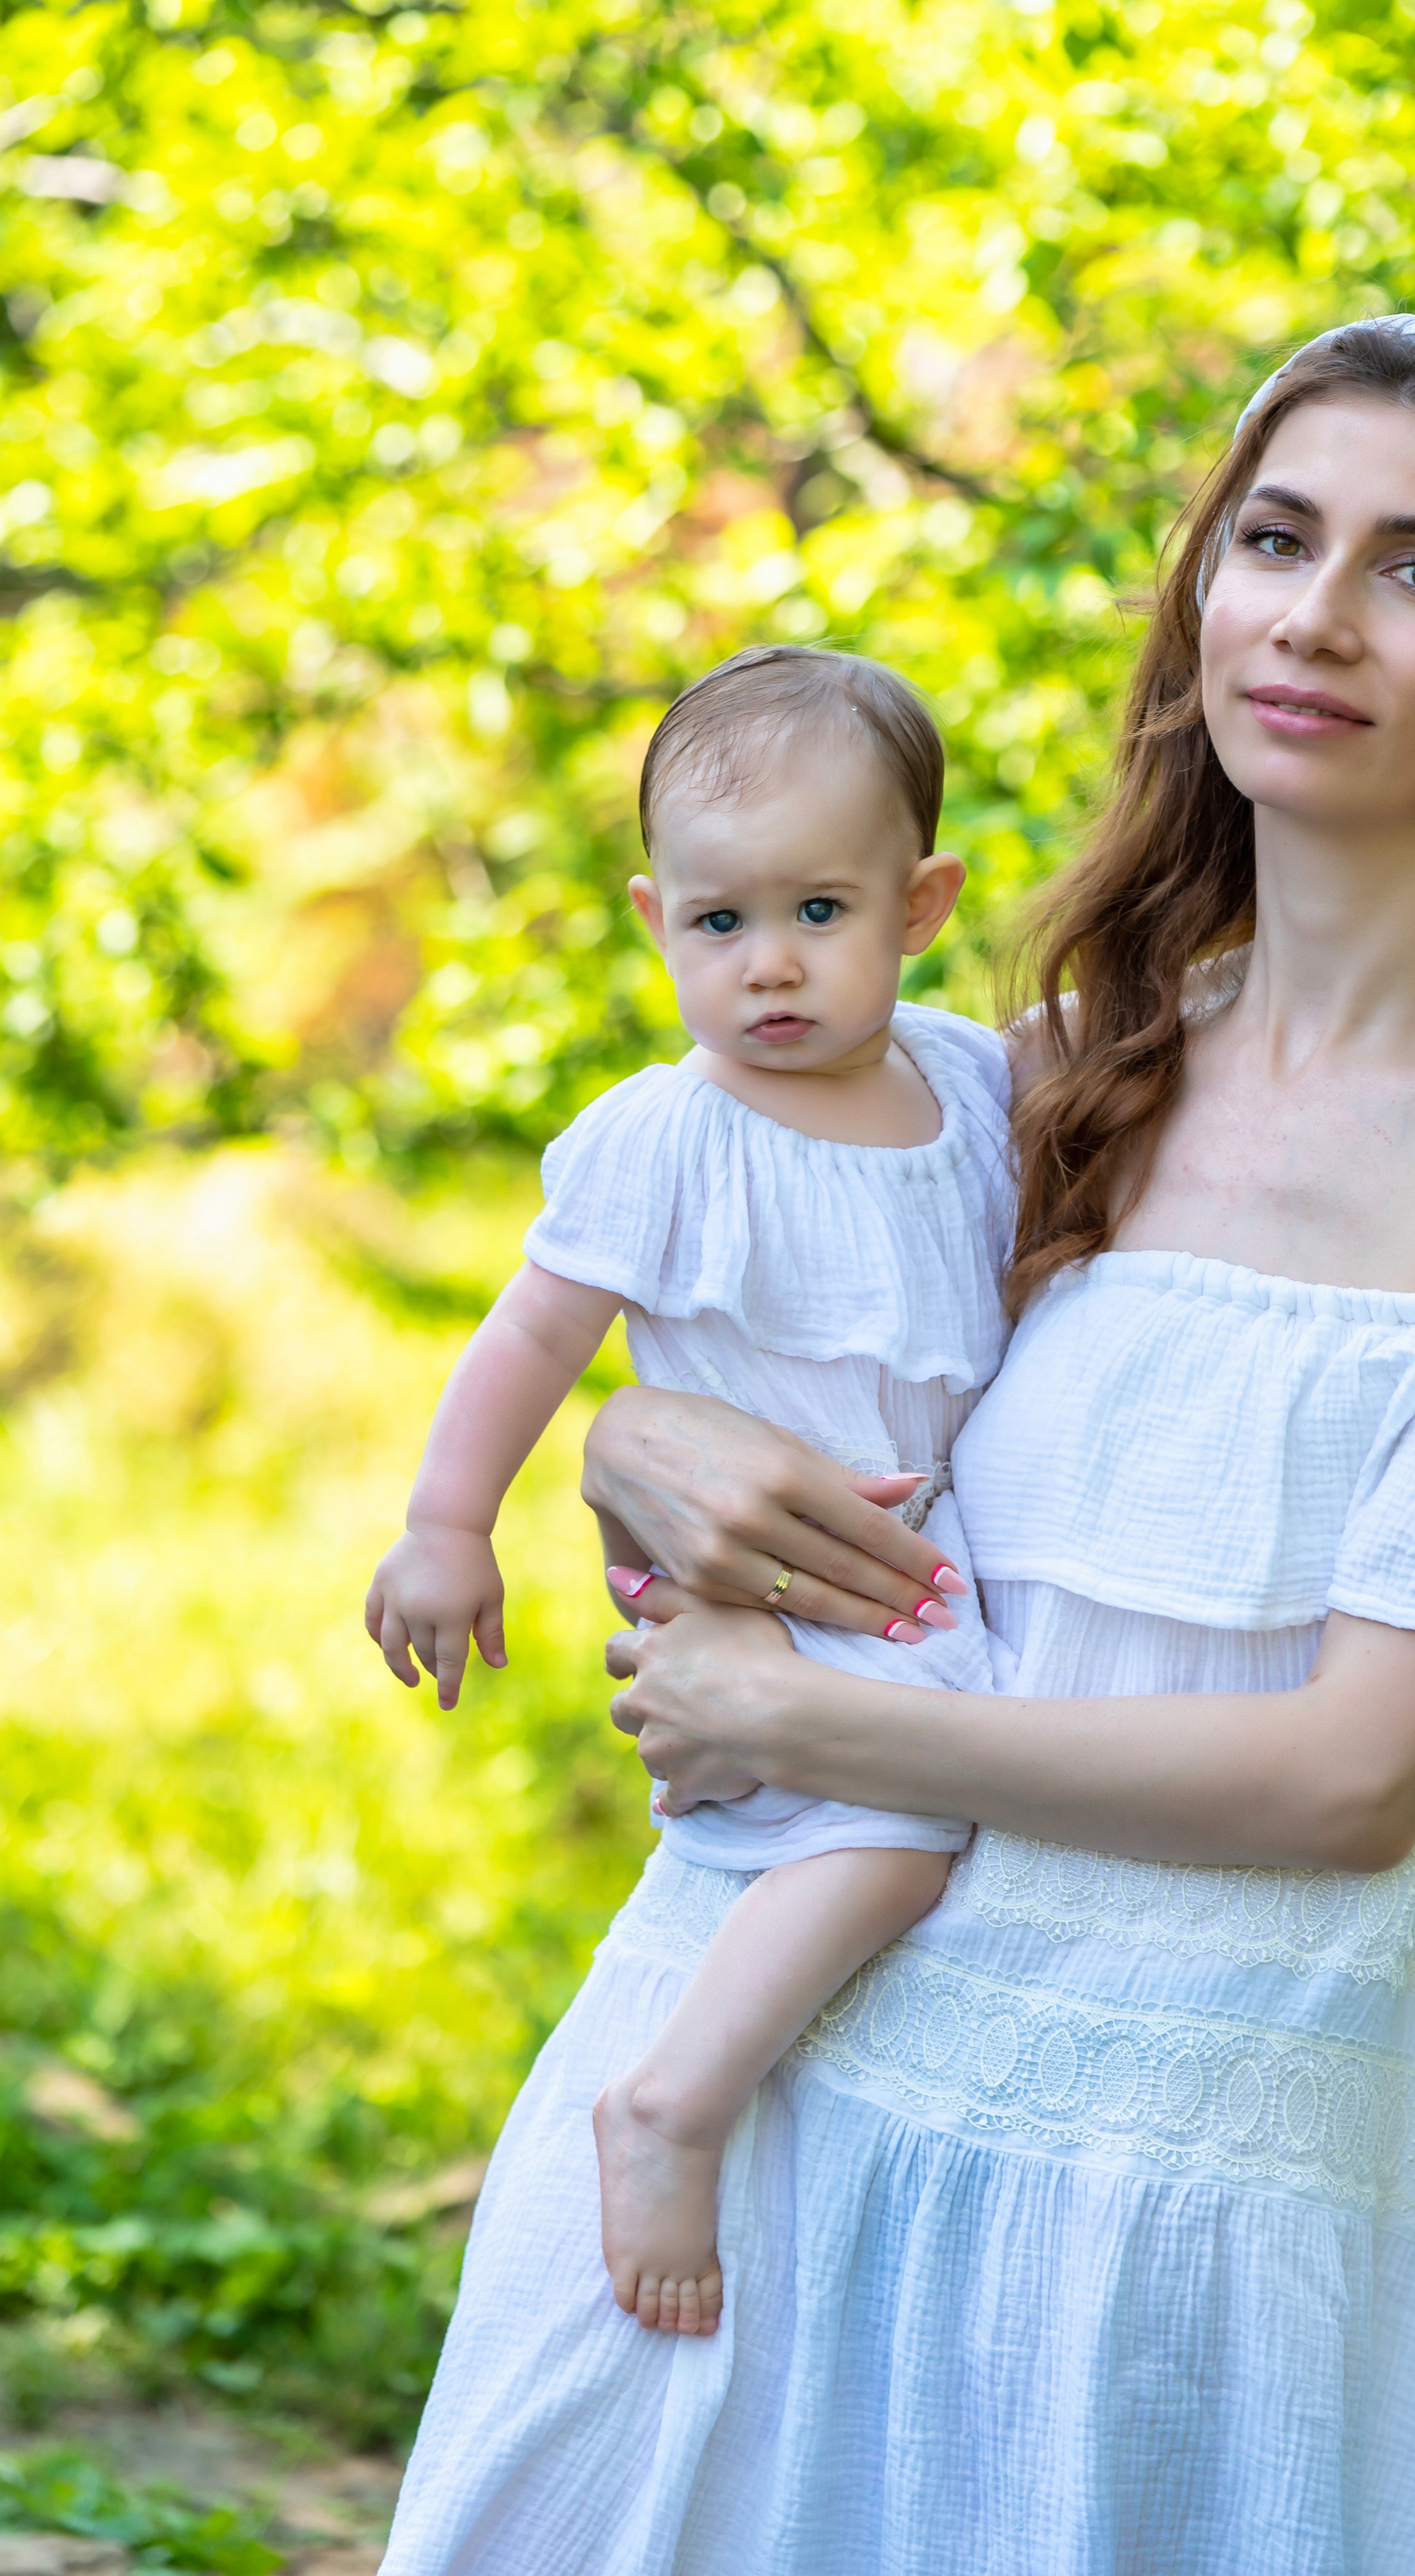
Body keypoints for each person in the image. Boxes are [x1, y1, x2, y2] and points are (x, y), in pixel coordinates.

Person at [379, 294, 1415, 2576]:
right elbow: (737, 1342)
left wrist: (809, 1713)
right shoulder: (1052, 1069)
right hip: (775, 2066)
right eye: (1274, 537)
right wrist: (623, 1455)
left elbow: (1354, 1782)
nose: (1315, 616)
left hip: (1188, 2183)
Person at [364, 645, 1011, 2336]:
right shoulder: (666, 1137)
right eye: (719, 925)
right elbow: (527, 1339)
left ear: (920, 901)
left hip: (920, 1567)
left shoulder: (973, 1089)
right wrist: (449, 1526)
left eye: (818, 911)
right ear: (655, 921)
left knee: (930, 1813)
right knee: (904, 1836)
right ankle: (675, 2100)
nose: (770, 967)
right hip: (774, 1598)